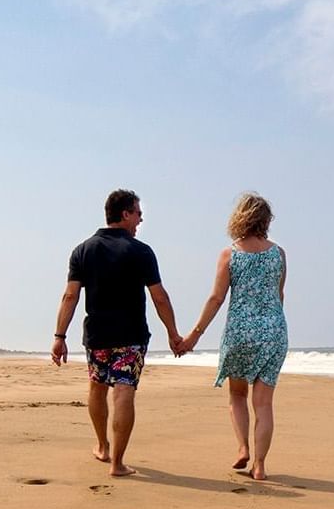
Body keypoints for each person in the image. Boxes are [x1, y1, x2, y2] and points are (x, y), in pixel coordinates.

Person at [52, 189, 186, 477]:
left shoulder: (82, 250)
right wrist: (173, 334)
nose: (140, 219)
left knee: (97, 388)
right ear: (125, 214)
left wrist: (59, 336)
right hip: (131, 336)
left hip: (97, 336)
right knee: (124, 391)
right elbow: (159, 297)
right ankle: (117, 464)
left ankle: (102, 446)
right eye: (138, 213)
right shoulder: (140, 251)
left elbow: (70, 296)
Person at [180, 193, 287, 481]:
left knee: (237, 394)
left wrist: (194, 335)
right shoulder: (279, 254)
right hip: (273, 332)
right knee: (263, 403)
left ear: (240, 217)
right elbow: (279, 296)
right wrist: (272, 327)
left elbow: (217, 297)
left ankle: (242, 448)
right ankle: (261, 466)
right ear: (266, 220)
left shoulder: (230, 254)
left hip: (240, 331)